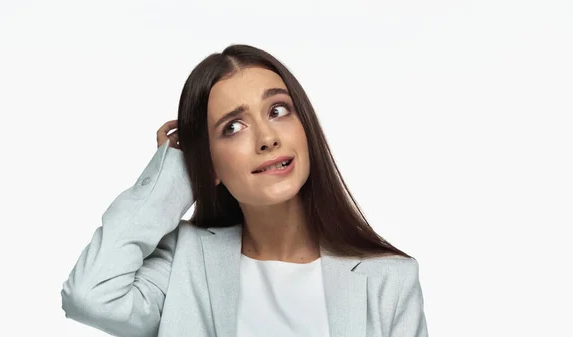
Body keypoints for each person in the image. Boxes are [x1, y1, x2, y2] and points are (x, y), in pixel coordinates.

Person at [60, 44, 429, 337]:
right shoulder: (182, 265)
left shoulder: (388, 280)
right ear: (209, 163)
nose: (268, 138)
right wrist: (171, 174)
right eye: (233, 127)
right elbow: (89, 296)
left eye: (278, 110)